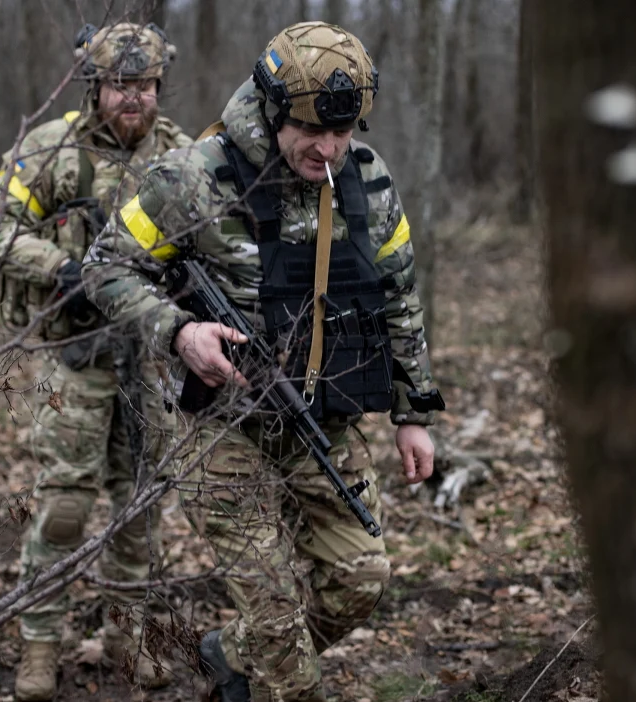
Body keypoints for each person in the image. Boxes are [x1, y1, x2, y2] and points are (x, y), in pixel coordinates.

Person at [81, 21, 446, 702]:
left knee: (360, 580)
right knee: (278, 621)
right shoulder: (193, 177)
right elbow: (104, 266)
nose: (327, 148)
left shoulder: (367, 178)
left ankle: (229, 656)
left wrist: (413, 413)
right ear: (275, 109)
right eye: (310, 129)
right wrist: (179, 331)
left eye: (341, 131)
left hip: (321, 417)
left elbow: (399, 293)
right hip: (221, 426)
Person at [0, 21, 194, 700]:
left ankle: (130, 638)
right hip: (76, 355)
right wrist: (60, 267)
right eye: (120, 85)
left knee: (141, 507)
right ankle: (40, 646)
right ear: (95, 87)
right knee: (65, 506)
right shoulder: (54, 150)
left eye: (146, 85)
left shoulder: (182, 157)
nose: (134, 98)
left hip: (152, 360)